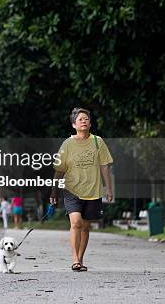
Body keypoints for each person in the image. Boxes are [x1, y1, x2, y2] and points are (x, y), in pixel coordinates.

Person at [50, 107, 113, 272]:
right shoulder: (68, 144)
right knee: (76, 223)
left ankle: (80, 258)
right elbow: (60, 169)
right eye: (80, 119)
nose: (84, 121)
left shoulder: (98, 142)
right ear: (73, 125)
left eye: (86, 119)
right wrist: (53, 191)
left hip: (92, 190)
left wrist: (108, 188)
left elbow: (105, 167)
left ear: (90, 123)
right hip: (71, 190)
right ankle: (75, 259)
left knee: (85, 226)